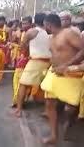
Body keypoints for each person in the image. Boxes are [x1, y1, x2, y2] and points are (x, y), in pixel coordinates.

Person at [40, 14, 84, 144]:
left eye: (45, 25)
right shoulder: (51, 38)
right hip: (54, 74)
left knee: (69, 108)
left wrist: (66, 65)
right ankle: (54, 136)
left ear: (49, 24)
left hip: (69, 74)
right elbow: (55, 55)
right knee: (49, 103)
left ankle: (69, 123)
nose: (44, 28)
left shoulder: (68, 34)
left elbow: (82, 50)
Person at [13, 13, 51, 117]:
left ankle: (19, 109)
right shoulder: (51, 32)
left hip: (35, 62)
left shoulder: (31, 32)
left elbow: (22, 46)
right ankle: (48, 111)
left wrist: (26, 53)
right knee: (48, 87)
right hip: (49, 62)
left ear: (34, 22)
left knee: (23, 85)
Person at [11, 16, 32, 107]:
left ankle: (21, 101)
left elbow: (26, 47)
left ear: (31, 24)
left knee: (24, 82)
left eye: (26, 23)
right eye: (23, 23)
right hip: (21, 60)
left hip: (28, 61)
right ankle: (17, 100)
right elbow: (21, 45)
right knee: (16, 80)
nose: (24, 25)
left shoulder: (32, 34)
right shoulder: (22, 33)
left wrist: (15, 45)